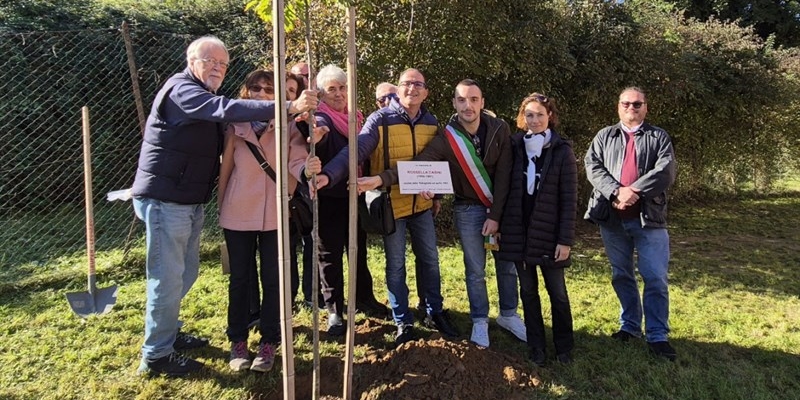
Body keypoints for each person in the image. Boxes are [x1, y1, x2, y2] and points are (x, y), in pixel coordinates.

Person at [131, 36, 318, 377]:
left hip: (188, 200)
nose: (217, 68)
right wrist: (287, 106)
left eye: (223, 64)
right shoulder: (184, 90)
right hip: (167, 200)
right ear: (191, 61)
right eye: (210, 61)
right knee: (169, 278)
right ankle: (156, 355)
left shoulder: (207, 96)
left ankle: (167, 335)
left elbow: (296, 159)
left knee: (184, 274)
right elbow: (226, 116)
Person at [316, 68, 460, 346]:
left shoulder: (431, 121)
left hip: (422, 206)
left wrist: (438, 195)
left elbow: (435, 163)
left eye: (419, 84)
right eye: (407, 83)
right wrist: (330, 174)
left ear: (426, 92)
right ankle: (403, 320)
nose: (412, 89)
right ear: (398, 88)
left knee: (430, 261)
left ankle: (434, 312)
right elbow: (355, 149)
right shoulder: (379, 119)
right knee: (396, 266)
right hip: (392, 206)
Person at [400, 79, 526, 347]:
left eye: (473, 99)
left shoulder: (500, 128)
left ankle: (508, 314)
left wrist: (496, 215)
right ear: (454, 103)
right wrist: (423, 184)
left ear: (482, 102)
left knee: (507, 265)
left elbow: (505, 174)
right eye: (461, 100)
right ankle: (479, 319)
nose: (467, 106)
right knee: (474, 269)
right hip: (468, 209)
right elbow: (423, 162)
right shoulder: (447, 136)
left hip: (502, 207)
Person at [218, 69, 325, 372]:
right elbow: (226, 170)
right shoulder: (234, 126)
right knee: (240, 279)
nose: (263, 94)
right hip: (237, 212)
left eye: (269, 90)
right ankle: (237, 341)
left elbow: (296, 161)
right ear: (246, 91)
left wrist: (307, 169)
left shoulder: (289, 126)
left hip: (276, 215)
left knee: (274, 279)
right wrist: (221, 208)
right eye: (256, 88)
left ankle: (269, 342)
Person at [584, 86, 677, 361]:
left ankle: (658, 336)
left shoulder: (658, 137)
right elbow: (593, 166)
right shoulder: (604, 136)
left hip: (648, 219)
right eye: (626, 104)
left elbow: (666, 170)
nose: (631, 109)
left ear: (646, 107)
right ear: (618, 106)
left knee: (655, 277)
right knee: (621, 275)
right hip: (612, 219)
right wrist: (616, 191)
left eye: (637, 104)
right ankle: (630, 326)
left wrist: (633, 190)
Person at [304, 65, 389, 336]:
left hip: (354, 195)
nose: (339, 94)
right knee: (329, 255)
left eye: (342, 88)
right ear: (320, 93)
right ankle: (334, 310)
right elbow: (315, 133)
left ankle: (364, 297)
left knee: (357, 250)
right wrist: (313, 138)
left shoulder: (356, 118)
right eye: (332, 89)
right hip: (328, 197)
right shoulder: (322, 119)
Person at [496, 93, 577, 366]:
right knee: (528, 293)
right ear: (523, 118)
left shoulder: (562, 150)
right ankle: (536, 346)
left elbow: (569, 200)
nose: (535, 120)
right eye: (529, 115)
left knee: (558, 294)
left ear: (550, 116)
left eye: (540, 114)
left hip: (550, 235)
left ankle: (564, 346)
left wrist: (565, 240)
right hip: (520, 232)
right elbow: (505, 188)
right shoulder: (515, 145)